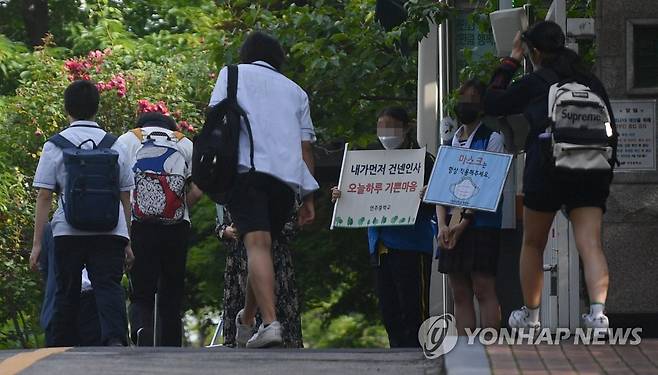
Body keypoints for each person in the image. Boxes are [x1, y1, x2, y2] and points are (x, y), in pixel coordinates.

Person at [483, 21, 617, 330]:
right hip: (591, 170)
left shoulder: (535, 81)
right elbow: (612, 131)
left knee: (533, 243)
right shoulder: (591, 82)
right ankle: (598, 317)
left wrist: (511, 60)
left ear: (536, 51)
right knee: (591, 243)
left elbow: (491, 102)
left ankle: (531, 318)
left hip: (546, 169)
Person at [208, 31, 318, 348]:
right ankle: (246, 320)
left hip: (247, 172)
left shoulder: (231, 75)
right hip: (285, 182)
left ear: (246, 53)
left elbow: (214, 121)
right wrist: (308, 195)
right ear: (278, 58)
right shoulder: (296, 92)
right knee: (263, 247)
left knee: (256, 245)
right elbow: (305, 148)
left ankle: (270, 323)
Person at [30, 80, 135, 346]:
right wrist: (128, 240)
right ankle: (115, 340)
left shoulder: (55, 145)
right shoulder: (115, 145)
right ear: (96, 109)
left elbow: (44, 195)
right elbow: (125, 196)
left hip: (68, 230)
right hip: (110, 229)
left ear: (67, 110)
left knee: (66, 287)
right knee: (108, 285)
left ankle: (61, 344)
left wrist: (38, 244)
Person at [331, 107, 435, 348]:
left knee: (414, 312)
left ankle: (420, 361)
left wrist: (429, 194)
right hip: (380, 248)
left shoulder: (423, 161)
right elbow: (359, 197)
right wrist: (341, 195)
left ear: (407, 127)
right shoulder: (370, 162)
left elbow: (437, 203)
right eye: (381, 127)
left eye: (391, 127)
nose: (386, 133)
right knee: (390, 313)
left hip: (411, 246)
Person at [118, 112, 203, 346]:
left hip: (139, 225)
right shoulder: (185, 143)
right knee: (172, 291)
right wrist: (181, 205)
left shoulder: (127, 140)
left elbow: (118, 186)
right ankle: (171, 346)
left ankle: (142, 331)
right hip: (176, 226)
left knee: (141, 291)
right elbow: (199, 188)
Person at [435, 79, 505, 334]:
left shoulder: (492, 138)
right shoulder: (450, 141)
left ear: (483, 106)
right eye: (463, 98)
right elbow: (441, 188)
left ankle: (492, 348)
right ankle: (465, 350)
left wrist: (462, 224)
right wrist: (442, 225)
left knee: (482, 287)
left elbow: (488, 186)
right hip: (451, 224)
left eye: (473, 99)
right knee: (459, 291)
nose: (466, 104)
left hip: (481, 224)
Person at [217, 206, 303, 348]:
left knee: (259, 257)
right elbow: (220, 222)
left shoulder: (280, 189)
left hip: (275, 254)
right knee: (256, 262)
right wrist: (226, 231)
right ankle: (251, 322)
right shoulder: (232, 191)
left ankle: (261, 323)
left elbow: (292, 221)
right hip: (239, 259)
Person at [39, 222, 102, 346]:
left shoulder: (105, 225)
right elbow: (47, 269)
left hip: (94, 304)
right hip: (60, 303)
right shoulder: (50, 229)